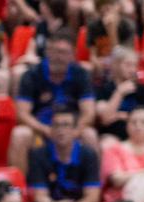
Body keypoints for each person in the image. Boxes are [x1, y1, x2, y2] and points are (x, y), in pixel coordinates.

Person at [10, 28, 98, 176]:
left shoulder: (81, 74)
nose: (59, 57)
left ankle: (94, 189)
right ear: (47, 52)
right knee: (19, 134)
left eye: (64, 53)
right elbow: (22, 114)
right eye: (55, 51)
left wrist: (74, 132)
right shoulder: (31, 75)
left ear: (73, 55)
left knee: (90, 135)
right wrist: (46, 130)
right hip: (41, 129)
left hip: (71, 129)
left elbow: (89, 113)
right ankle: (19, 191)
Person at [29, 105, 104, 202]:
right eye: (56, 126)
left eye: (66, 125)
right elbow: (39, 196)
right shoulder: (39, 154)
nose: (61, 130)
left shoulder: (88, 154)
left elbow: (93, 197)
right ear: (50, 130)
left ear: (75, 130)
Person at [94, 46, 144, 148]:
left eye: (134, 65)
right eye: (128, 65)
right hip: (113, 135)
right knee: (106, 145)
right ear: (116, 65)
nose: (132, 69)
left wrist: (117, 115)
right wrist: (119, 93)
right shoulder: (104, 89)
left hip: (139, 135)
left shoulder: (141, 90)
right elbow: (106, 118)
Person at [85, 0, 136, 79]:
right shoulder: (93, 26)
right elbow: (93, 55)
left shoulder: (127, 26)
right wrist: (96, 62)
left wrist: (112, 31)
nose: (107, 7)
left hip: (121, 64)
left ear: (118, 7)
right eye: (103, 4)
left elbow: (123, 57)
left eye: (111, 4)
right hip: (101, 65)